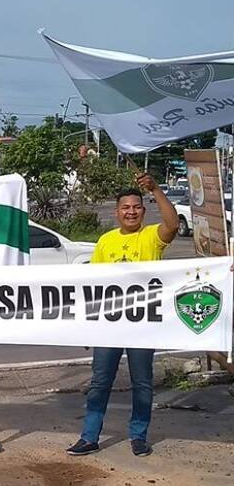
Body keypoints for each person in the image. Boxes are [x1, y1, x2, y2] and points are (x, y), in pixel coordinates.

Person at [66, 173, 179, 458]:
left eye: (136, 207)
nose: (131, 212)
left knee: (142, 383)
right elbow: (95, 287)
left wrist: (156, 189)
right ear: (117, 212)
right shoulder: (105, 242)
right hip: (109, 325)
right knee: (99, 383)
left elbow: (173, 224)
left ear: (143, 210)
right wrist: (89, 325)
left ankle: (139, 436)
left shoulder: (151, 237)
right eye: (125, 208)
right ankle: (89, 436)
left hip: (142, 325)